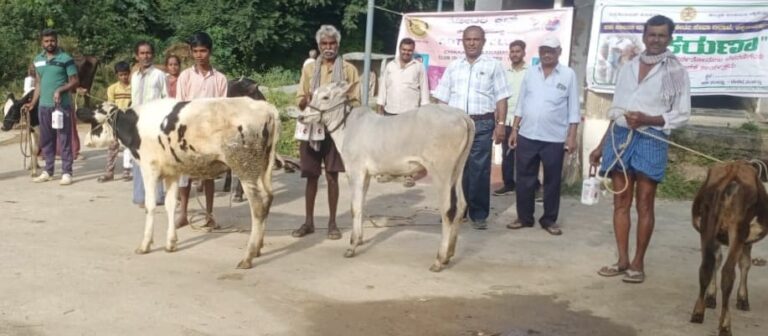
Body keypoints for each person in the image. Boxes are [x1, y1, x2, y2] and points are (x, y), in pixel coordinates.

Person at [591, 15, 690, 284]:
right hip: (620, 135)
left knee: (644, 202)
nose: (656, 39)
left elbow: (681, 115)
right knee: (620, 201)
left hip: (652, 137)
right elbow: (616, 111)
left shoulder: (676, 72)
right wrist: (601, 145)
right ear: (644, 36)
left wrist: (647, 119)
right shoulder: (629, 66)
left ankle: (638, 263)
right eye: (651, 34)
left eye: (661, 35)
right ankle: (622, 259)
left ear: (670, 38)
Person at [433, 25, 511, 230]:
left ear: (483, 42)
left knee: (479, 170)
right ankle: (453, 209)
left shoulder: (494, 65)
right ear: (463, 42)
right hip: (454, 125)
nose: (472, 43)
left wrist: (501, 124)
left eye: (476, 39)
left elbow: (502, 97)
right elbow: (442, 98)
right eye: (468, 39)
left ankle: (478, 214)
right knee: (453, 169)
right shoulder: (453, 66)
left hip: (482, 124)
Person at [507, 35, 580, 236]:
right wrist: (514, 130)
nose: (547, 54)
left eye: (551, 50)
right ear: (539, 52)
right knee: (524, 179)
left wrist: (572, 136)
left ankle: (549, 219)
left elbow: (574, 107)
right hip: (527, 134)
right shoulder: (531, 73)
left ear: (559, 52)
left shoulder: (568, 75)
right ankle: (524, 217)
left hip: (554, 138)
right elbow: (521, 103)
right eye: (543, 50)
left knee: (552, 181)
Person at [292, 24, 360, 240]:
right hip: (312, 130)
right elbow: (299, 98)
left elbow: (356, 102)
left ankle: (332, 223)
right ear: (319, 46)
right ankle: (309, 222)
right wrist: (307, 100)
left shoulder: (348, 70)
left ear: (338, 45)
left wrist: (340, 101)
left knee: (332, 176)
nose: (328, 47)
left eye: (332, 43)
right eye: (324, 44)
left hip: (336, 131)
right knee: (311, 176)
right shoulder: (310, 69)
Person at [175, 32, 228, 230]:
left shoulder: (220, 79)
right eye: (196, 51)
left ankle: (209, 213)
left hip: (211, 134)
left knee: (208, 174)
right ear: (191, 52)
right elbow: (179, 105)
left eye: (203, 51)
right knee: (185, 174)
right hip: (188, 132)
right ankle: (183, 214)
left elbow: (222, 108)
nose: (199, 55)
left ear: (210, 52)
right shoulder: (185, 76)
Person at [26, 29, 79, 185]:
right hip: (44, 106)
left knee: (64, 139)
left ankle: (67, 172)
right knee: (46, 139)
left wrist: (61, 90)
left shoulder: (65, 59)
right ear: (42, 42)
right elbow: (38, 84)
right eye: (46, 41)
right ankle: (48, 171)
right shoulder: (38, 60)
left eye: (52, 40)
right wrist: (32, 103)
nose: (50, 43)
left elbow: (75, 80)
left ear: (57, 41)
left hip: (61, 106)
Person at [131, 41, 168, 208]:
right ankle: (140, 196)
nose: (145, 56)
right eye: (142, 53)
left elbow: (166, 98)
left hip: (155, 123)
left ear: (152, 55)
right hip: (137, 124)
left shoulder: (159, 75)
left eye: (148, 53)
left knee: (155, 161)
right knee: (138, 159)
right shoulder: (134, 76)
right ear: (136, 56)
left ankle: (156, 196)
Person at [494, 40, 528, 196]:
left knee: (526, 156)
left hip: (524, 120)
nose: (515, 54)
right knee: (506, 153)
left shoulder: (530, 72)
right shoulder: (504, 73)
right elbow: (499, 96)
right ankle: (508, 184)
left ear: (524, 53)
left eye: (518, 51)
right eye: (512, 51)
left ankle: (531, 187)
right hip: (506, 119)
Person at [98, 61, 133, 183]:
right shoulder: (112, 88)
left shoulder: (134, 87)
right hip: (116, 122)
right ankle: (109, 172)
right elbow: (110, 104)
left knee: (129, 147)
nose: (124, 77)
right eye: (121, 75)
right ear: (117, 75)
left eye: (126, 74)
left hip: (130, 122)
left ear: (129, 74)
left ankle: (127, 171)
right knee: (113, 147)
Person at [377, 38, 429, 115]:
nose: (406, 52)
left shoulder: (419, 66)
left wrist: (425, 108)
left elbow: (424, 89)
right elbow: (383, 88)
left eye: (409, 50)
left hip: (410, 113)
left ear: (413, 51)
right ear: (399, 49)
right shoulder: (390, 65)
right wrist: (380, 104)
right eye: (404, 49)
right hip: (390, 111)